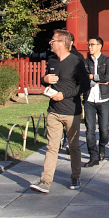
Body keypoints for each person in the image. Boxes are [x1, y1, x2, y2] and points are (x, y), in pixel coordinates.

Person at [30, 30, 89, 193]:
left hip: (71, 111)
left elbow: (84, 85)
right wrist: (44, 80)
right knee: (51, 147)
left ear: (62, 43)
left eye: (53, 40)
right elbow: (47, 79)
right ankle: (45, 181)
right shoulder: (52, 60)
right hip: (53, 111)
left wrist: (64, 94)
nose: (50, 42)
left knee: (74, 146)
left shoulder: (76, 62)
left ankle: (75, 176)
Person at [82, 36, 109, 167]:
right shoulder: (84, 62)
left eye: (92, 44)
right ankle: (93, 156)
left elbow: (107, 77)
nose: (89, 47)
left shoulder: (107, 61)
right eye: (88, 45)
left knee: (104, 129)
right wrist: (95, 78)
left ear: (100, 46)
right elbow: (83, 78)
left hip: (103, 98)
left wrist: (91, 77)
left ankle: (102, 146)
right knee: (89, 129)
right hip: (89, 98)